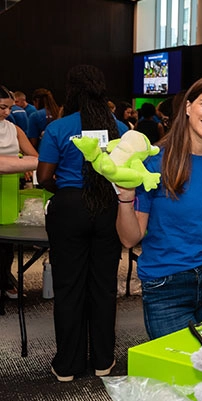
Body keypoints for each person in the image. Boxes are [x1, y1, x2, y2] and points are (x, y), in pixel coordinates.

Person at [115, 75, 202, 340]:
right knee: (177, 373)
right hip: (166, 283)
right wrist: (125, 196)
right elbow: (129, 237)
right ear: (187, 107)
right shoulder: (153, 162)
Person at [37, 65, 129, 382]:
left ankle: (68, 365)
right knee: (103, 287)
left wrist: (67, 191)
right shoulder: (117, 127)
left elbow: (43, 177)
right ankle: (103, 360)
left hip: (69, 208)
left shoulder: (59, 128)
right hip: (108, 209)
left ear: (71, 90)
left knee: (69, 287)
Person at [0, 86, 39, 299]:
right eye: (2, 107)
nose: (7, 112)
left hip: (8, 189)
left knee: (6, 240)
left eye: (10, 108)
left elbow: (34, 156)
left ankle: (5, 279)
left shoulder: (13, 128)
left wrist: (25, 165)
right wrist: (22, 163)